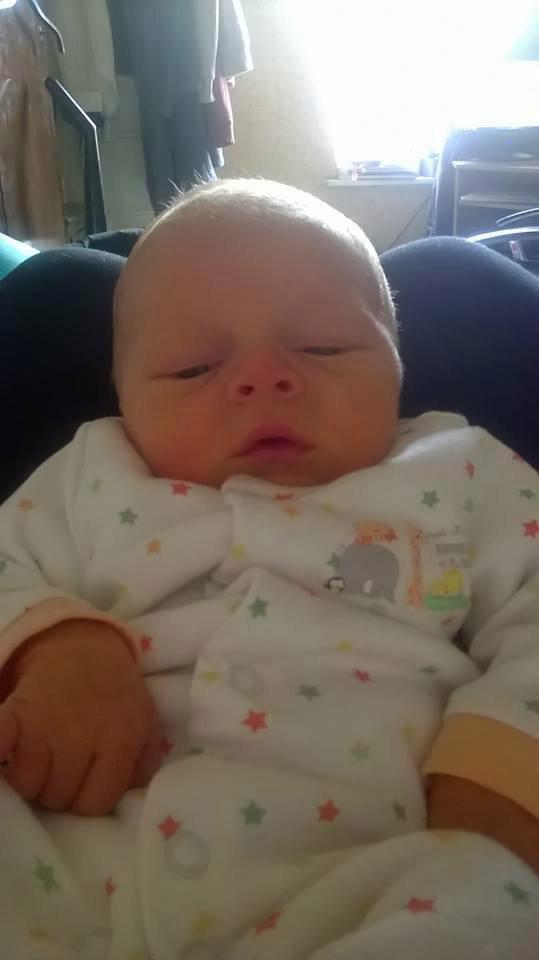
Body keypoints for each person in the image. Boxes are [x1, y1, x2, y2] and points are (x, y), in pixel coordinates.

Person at [0, 180, 537, 959]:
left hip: (381, 866)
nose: (262, 378)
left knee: (490, 905)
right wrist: (58, 646)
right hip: (68, 849)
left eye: (323, 348)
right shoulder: (92, 471)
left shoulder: (460, 470)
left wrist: (501, 763)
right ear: (121, 399)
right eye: (193, 368)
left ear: (397, 367)